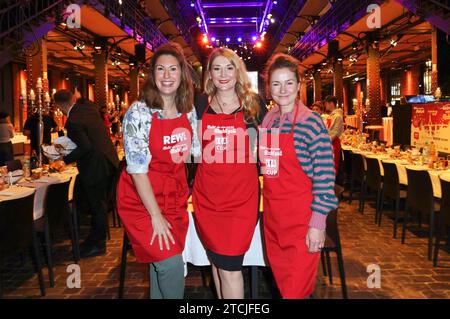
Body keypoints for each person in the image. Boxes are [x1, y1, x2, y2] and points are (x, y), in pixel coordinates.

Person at [116, 42, 201, 299]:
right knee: (171, 263)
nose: (167, 75)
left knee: (159, 263)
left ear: (181, 74)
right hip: (141, 199)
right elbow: (138, 171)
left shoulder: (187, 110)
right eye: (161, 69)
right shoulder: (138, 113)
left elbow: (194, 153)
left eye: (173, 69)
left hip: (173, 196)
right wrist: (154, 215)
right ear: (152, 75)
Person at [259, 53, 338, 298]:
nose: (283, 90)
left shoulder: (311, 123)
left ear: (298, 85)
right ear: (268, 88)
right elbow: (268, 168)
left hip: (301, 224)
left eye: (289, 83)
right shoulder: (269, 120)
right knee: (283, 288)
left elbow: (325, 180)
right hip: (274, 222)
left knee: (295, 291)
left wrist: (317, 224)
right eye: (276, 83)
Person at [192, 48, 266, 299]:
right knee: (216, 262)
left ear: (238, 71)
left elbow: (271, 147)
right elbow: (189, 147)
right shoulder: (199, 103)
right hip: (207, 197)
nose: (223, 74)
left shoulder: (254, 103)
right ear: (209, 74)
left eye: (229, 67)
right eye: (217, 68)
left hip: (241, 199)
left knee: (231, 268)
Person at [53, 89, 119, 258]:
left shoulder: (73, 121)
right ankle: (94, 240)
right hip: (109, 161)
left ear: (59, 107)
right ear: (73, 98)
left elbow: (85, 147)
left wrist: (64, 160)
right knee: (98, 204)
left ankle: (98, 244)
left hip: (96, 166)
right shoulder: (88, 109)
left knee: (98, 206)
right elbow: (86, 102)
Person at [324, 95, 344, 174]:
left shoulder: (337, 116)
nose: (325, 106)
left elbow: (334, 133)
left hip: (334, 143)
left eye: (326, 104)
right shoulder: (332, 116)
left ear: (331, 103)